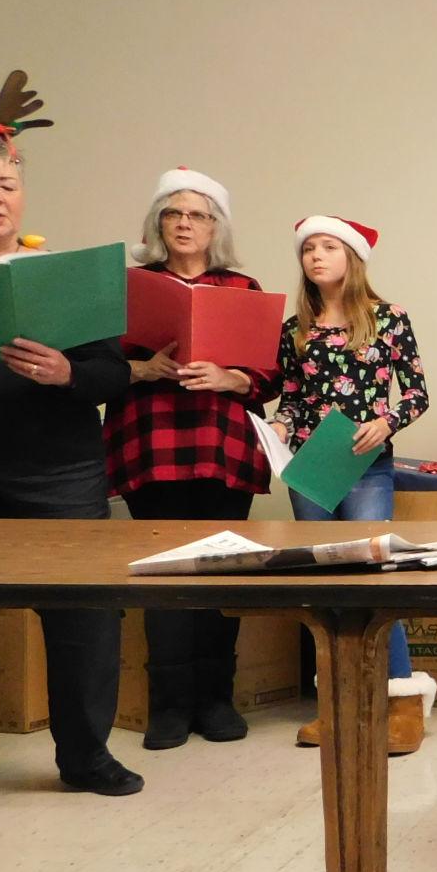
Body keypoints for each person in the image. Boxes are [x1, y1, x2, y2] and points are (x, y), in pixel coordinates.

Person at [0, 116, 142, 823]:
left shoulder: (63, 277)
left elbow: (115, 373)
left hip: (60, 472)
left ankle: (86, 754)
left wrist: (69, 372)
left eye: (6, 184)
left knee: (85, 616)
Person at [105, 168, 279, 750]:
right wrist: (141, 368)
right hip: (150, 446)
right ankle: (170, 705)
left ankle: (216, 699)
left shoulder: (243, 288)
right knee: (164, 574)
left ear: (214, 228)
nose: (184, 223)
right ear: (158, 224)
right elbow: (97, 367)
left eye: (197, 215)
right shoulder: (130, 286)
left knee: (221, 570)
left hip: (222, 448)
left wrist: (231, 377)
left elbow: (271, 374)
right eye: (173, 213)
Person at [273, 215, 435, 755]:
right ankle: (338, 704)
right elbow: (291, 399)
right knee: (324, 585)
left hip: (366, 466)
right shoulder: (295, 329)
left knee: (375, 580)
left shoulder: (389, 319)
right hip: (310, 467)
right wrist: (280, 426)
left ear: (352, 256)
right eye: (308, 249)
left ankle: (401, 705)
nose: (316, 256)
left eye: (328, 247)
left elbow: (416, 394)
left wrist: (387, 422)